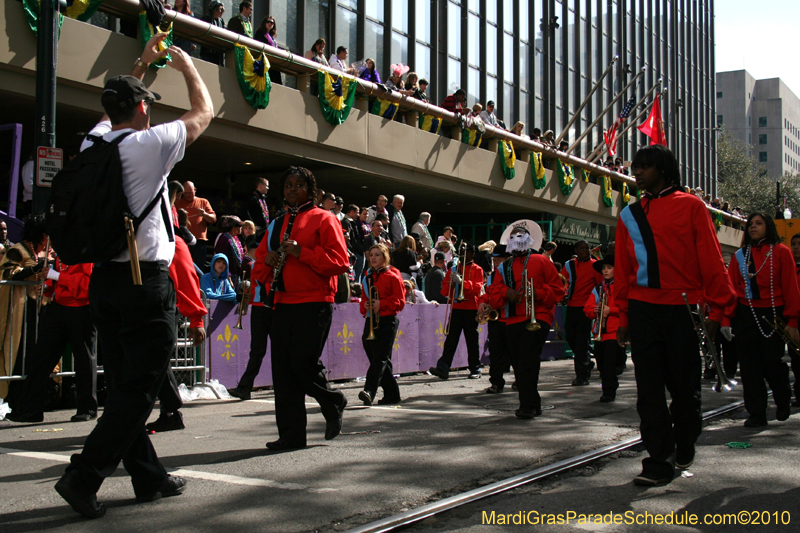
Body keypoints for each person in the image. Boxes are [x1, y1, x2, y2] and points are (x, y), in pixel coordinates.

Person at [51, 34, 213, 519]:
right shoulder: (150, 144)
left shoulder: (96, 141)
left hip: (105, 280)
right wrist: (186, 67)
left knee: (125, 383)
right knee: (140, 387)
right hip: (145, 282)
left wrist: (141, 64)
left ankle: (149, 477)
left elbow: (116, 107)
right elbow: (204, 113)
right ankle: (84, 477)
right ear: (143, 108)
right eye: (146, 103)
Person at [615, 144, 735, 487]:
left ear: (664, 170)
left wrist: (719, 308)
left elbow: (710, 258)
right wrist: (622, 316)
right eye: (635, 167)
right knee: (648, 390)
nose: (637, 172)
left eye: (645, 167)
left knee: (685, 390)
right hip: (641, 308)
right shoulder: (628, 214)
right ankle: (658, 460)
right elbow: (623, 270)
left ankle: (684, 442)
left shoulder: (693, 206)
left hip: (683, 308)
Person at [255, 166, 349, 450]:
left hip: (315, 302)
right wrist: (268, 261)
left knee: (302, 363)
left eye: (299, 185)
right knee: (283, 372)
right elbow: (258, 262)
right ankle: (291, 435)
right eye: (288, 185)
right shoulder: (277, 223)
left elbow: (340, 261)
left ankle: (333, 401)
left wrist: (301, 252)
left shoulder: (325, 218)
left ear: (311, 190)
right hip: (281, 303)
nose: (292, 189)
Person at [723, 213, 800, 427]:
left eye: (759, 224)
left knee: (771, 363)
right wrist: (725, 319)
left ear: (769, 227)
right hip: (745, 314)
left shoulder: (782, 252)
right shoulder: (740, 255)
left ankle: (782, 398)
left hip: (774, 314)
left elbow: (791, 288)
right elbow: (731, 290)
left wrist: (793, 321)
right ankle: (756, 413)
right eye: (751, 225)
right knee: (749, 367)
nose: (753, 228)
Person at [486, 227, 565, 418]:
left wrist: (538, 292)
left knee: (527, 360)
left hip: (538, 316)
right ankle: (532, 403)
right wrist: (506, 292)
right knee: (518, 362)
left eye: (521, 235)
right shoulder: (503, 267)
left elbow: (558, 291)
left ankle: (528, 405)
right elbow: (493, 294)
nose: (517, 239)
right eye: (513, 236)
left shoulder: (542, 261)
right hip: (512, 319)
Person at [6, 257, 96, 423]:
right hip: (58, 307)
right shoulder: (61, 255)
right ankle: (30, 409)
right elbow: (57, 278)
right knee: (41, 357)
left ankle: (87, 408)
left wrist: (57, 277)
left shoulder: (84, 255)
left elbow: (85, 285)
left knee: (84, 360)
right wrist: (48, 285)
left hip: (80, 310)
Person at [0, 215, 50, 402]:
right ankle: (14, 395)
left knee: (33, 353)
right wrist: (34, 269)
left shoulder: (42, 252)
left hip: (37, 308)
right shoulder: (17, 250)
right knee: (18, 352)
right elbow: (7, 272)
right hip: (19, 311)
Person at [429, 243, 485, 380]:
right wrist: (451, 284)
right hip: (456, 308)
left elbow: (476, 289)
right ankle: (444, 366)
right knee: (451, 339)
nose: (463, 255)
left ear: (473, 254)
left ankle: (475, 368)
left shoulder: (478, 269)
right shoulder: (453, 269)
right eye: (461, 252)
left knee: (471, 340)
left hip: (470, 308)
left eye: (466, 252)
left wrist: (462, 282)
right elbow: (443, 291)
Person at [359, 244, 405, 406]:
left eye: (377, 255)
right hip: (371, 319)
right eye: (371, 255)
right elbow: (364, 298)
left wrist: (381, 303)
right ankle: (392, 394)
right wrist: (365, 304)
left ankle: (369, 391)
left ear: (385, 258)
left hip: (387, 320)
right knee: (378, 357)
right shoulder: (366, 277)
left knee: (380, 358)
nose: (373, 258)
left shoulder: (393, 276)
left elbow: (400, 302)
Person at [561, 240, 602, 386]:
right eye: (582, 248)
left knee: (581, 342)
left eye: (587, 248)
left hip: (586, 307)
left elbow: (600, 286)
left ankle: (582, 375)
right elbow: (562, 282)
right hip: (572, 306)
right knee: (571, 337)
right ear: (576, 250)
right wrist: (563, 293)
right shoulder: (569, 265)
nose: (585, 250)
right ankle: (586, 361)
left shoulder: (595, 265)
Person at [583, 256, 621, 402]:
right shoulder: (598, 288)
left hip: (614, 331)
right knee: (602, 364)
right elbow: (587, 309)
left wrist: (611, 310)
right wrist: (595, 309)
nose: (605, 270)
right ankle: (608, 386)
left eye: (609, 268)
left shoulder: (621, 286)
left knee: (609, 364)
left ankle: (609, 391)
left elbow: (626, 307)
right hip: (600, 331)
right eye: (604, 268)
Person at [480, 244, 512, 394]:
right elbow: (488, 292)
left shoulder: (513, 274)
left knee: (515, 351)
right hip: (496, 318)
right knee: (496, 351)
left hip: (512, 316)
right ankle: (496, 382)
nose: (496, 262)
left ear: (508, 259)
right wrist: (482, 301)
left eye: (499, 259)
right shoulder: (491, 276)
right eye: (495, 259)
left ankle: (521, 380)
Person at [175, 181, 216, 271]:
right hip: (183, 241)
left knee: (198, 268)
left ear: (195, 190)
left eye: (190, 193)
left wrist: (204, 214)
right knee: (183, 267)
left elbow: (213, 219)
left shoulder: (203, 202)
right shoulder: (178, 203)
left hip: (199, 242)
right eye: (186, 193)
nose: (188, 195)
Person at [253, 16, 283, 85]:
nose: (270, 24)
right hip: (264, 62)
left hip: (273, 62)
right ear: (264, 23)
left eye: (272, 22)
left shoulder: (272, 37)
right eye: (268, 22)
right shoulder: (260, 33)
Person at [342, 204, 366, 281]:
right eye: (357, 212)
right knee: (354, 276)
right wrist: (352, 251)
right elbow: (348, 238)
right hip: (353, 253)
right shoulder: (346, 222)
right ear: (352, 212)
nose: (358, 215)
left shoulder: (352, 222)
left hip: (357, 252)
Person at [200, 1, 226, 66]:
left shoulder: (221, 21)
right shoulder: (206, 19)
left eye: (221, 10)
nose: (220, 12)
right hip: (208, 51)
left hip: (218, 53)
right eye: (218, 10)